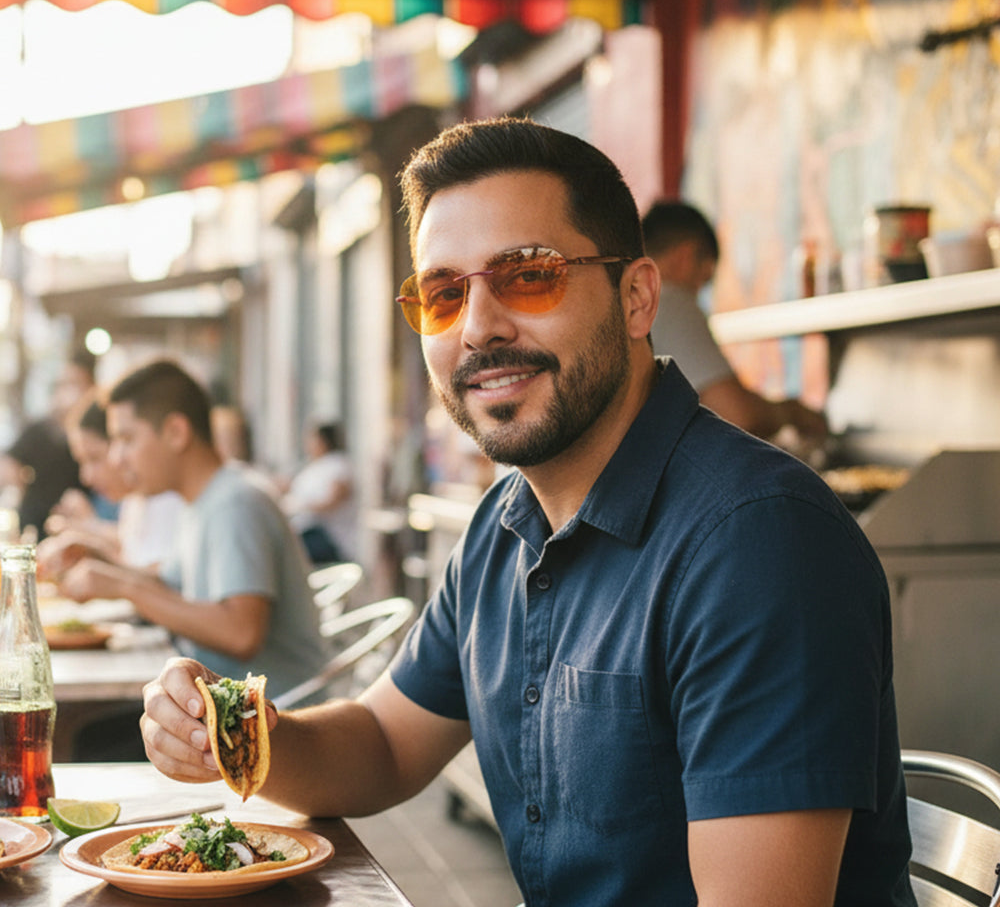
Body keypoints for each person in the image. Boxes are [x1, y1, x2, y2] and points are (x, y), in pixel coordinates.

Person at [140, 119, 915, 906]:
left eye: (528, 275)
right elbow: (382, 745)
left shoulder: (757, 544)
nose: (478, 327)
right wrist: (237, 730)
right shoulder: (504, 524)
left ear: (638, 296)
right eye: (444, 294)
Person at [55, 359, 329, 698]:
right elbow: (171, 587)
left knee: (84, 740)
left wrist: (126, 586)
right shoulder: (201, 501)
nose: (116, 458)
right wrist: (98, 560)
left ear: (176, 432)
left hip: (273, 723)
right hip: (219, 710)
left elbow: (240, 634)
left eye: (126, 439)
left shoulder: (234, 503)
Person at [643, 200, 829, 445]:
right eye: (704, 279)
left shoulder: (629, 303)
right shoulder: (669, 300)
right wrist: (793, 412)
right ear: (686, 257)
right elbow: (738, 415)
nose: (699, 293)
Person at [39, 393, 185, 575]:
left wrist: (90, 540)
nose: (86, 477)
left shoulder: (166, 495)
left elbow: (166, 582)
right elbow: (132, 552)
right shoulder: (135, 501)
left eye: (94, 458)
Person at [0, 348, 96, 539]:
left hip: (77, 530)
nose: (68, 392)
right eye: (63, 385)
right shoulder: (42, 428)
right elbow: (7, 465)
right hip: (33, 526)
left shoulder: (97, 431)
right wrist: (21, 485)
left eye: (75, 384)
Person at [281, 421, 356, 563]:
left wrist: (300, 507)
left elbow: (334, 500)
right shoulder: (313, 466)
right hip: (304, 531)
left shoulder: (338, 465)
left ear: (324, 441)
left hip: (327, 538)